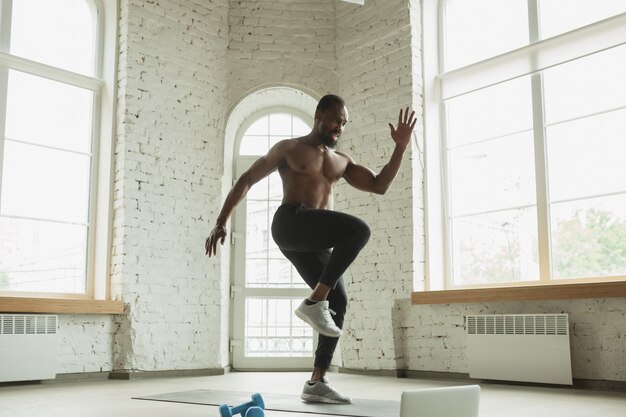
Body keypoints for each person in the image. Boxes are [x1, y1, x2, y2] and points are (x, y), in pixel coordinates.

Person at [205, 94, 416, 404]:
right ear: (320, 114)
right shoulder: (290, 148)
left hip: (312, 238)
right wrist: (221, 220)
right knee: (359, 230)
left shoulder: (340, 161)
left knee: (339, 299)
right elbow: (248, 179)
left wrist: (400, 147)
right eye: (335, 120)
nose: (339, 127)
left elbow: (379, 184)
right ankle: (315, 301)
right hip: (290, 222)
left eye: (344, 123)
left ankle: (316, 382)